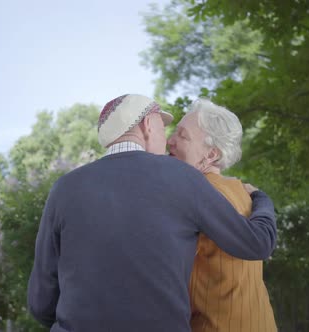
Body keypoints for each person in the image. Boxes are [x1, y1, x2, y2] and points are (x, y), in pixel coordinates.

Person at [27, 94, 277, 332]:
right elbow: (255, 243)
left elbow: (41, 302)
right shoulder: (182, 178)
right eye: (164, 127)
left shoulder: (64, 188)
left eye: (180, 134)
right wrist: (259, 197)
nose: (168, 139)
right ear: (147, 125)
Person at [167, 99, 277, 332]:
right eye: (174, 132)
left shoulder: (197, 194)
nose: (170, 141)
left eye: (182, 136)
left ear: (211, 154)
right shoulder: (241, 191)